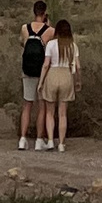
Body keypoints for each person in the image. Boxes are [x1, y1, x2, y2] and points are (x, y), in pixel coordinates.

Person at [39, 18, 81, 152]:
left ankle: (51, 140)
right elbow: (78, 67)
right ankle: (62, 144)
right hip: (66, 76)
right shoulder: (72, 46)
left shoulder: (51, 44)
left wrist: (41, 82)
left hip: (52, 75)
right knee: (63, 114)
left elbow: (46, 65)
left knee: (50, 112)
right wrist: (78, 81)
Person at [18, 0, 54, 148]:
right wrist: (49, 24)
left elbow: (22, 43)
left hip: (27, 70)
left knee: (27, 105)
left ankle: (22, 139)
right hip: (42, 71)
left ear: (34, 12)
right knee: (42, 106)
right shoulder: (50, 31)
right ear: (44, 13)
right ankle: (39, 140)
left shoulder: (25, 28)